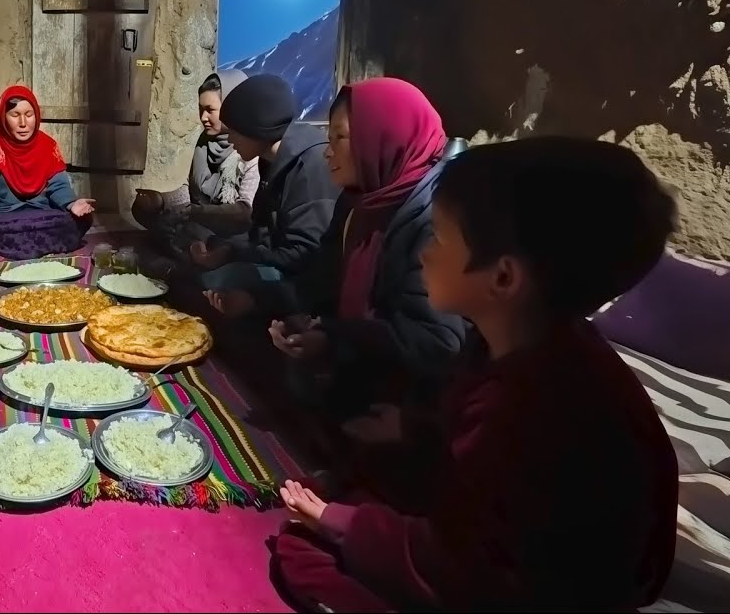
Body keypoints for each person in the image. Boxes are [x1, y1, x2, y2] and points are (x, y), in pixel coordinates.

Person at [271, 136, 679, 612]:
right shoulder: (515, 344)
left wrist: (337, 522)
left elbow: (462, 566)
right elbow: (464, 450)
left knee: (304, 548)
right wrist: (411, 430)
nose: (425, 254)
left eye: (440, 239)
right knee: (346, 488)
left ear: (503, 279)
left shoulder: (543, 405)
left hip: (521, 589)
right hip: (488, 538)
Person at [256, 78, 468, 420]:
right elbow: (323, 275)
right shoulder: (360, 201)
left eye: (340, 137)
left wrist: (333, 338)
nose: (328, 150)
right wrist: (299, 316)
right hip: (356, 363)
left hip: (413, 407)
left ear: (382, 136)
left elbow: (437, 343)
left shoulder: (432, 220)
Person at [192, 73, 339, 296]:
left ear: (255, 128)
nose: (230, 140)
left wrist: (236, 255)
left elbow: (305, 256)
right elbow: (260, 231)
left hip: (305, 287)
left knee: (216, 282)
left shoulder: (309, 168)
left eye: (234, 131)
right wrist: (227, 249)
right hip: (278, 265)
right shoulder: (270, 160)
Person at [131, 70, 260, 255]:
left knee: (184, 236)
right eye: (201, 109)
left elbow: (245, 214)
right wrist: (160, 199)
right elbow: (192, 192)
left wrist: (194, 212)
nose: (203, 118)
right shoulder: (205, 141)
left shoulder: (250, 149)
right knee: (142, 209)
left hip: (233, 234)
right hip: (201, 221)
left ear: (232, 108)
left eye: (210, 110)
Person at [0, 85, 96, 260]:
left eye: (29, 115)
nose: (23, 123)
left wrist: (72, 204)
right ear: (3, 117)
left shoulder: (48, 146)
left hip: (41, 213)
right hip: (3, 216)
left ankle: (10, 249)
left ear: (36, 116)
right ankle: (42, 247)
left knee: (79, 220)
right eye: (15, 115)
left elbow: (58, 186)